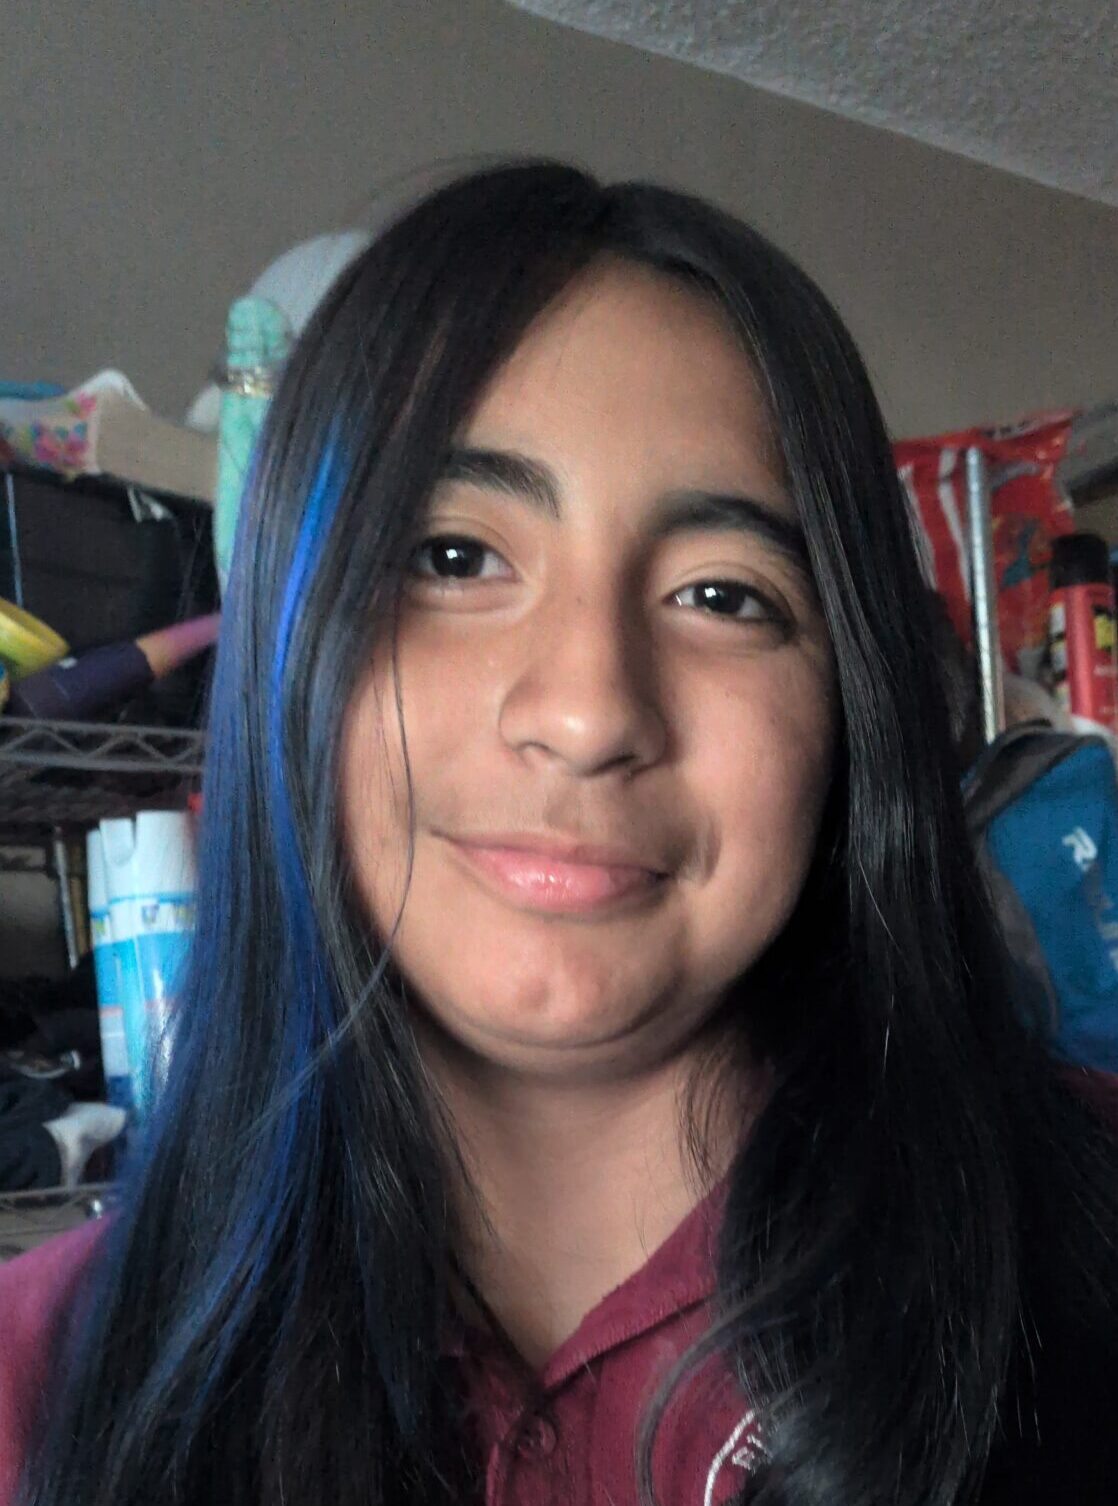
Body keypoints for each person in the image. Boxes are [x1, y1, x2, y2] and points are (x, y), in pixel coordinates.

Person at [2, 161, 1116, 1506]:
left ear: (850, 707)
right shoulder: (33, 1385)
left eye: (722, 595)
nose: (588, 713)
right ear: (292, 653)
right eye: (453, 558)